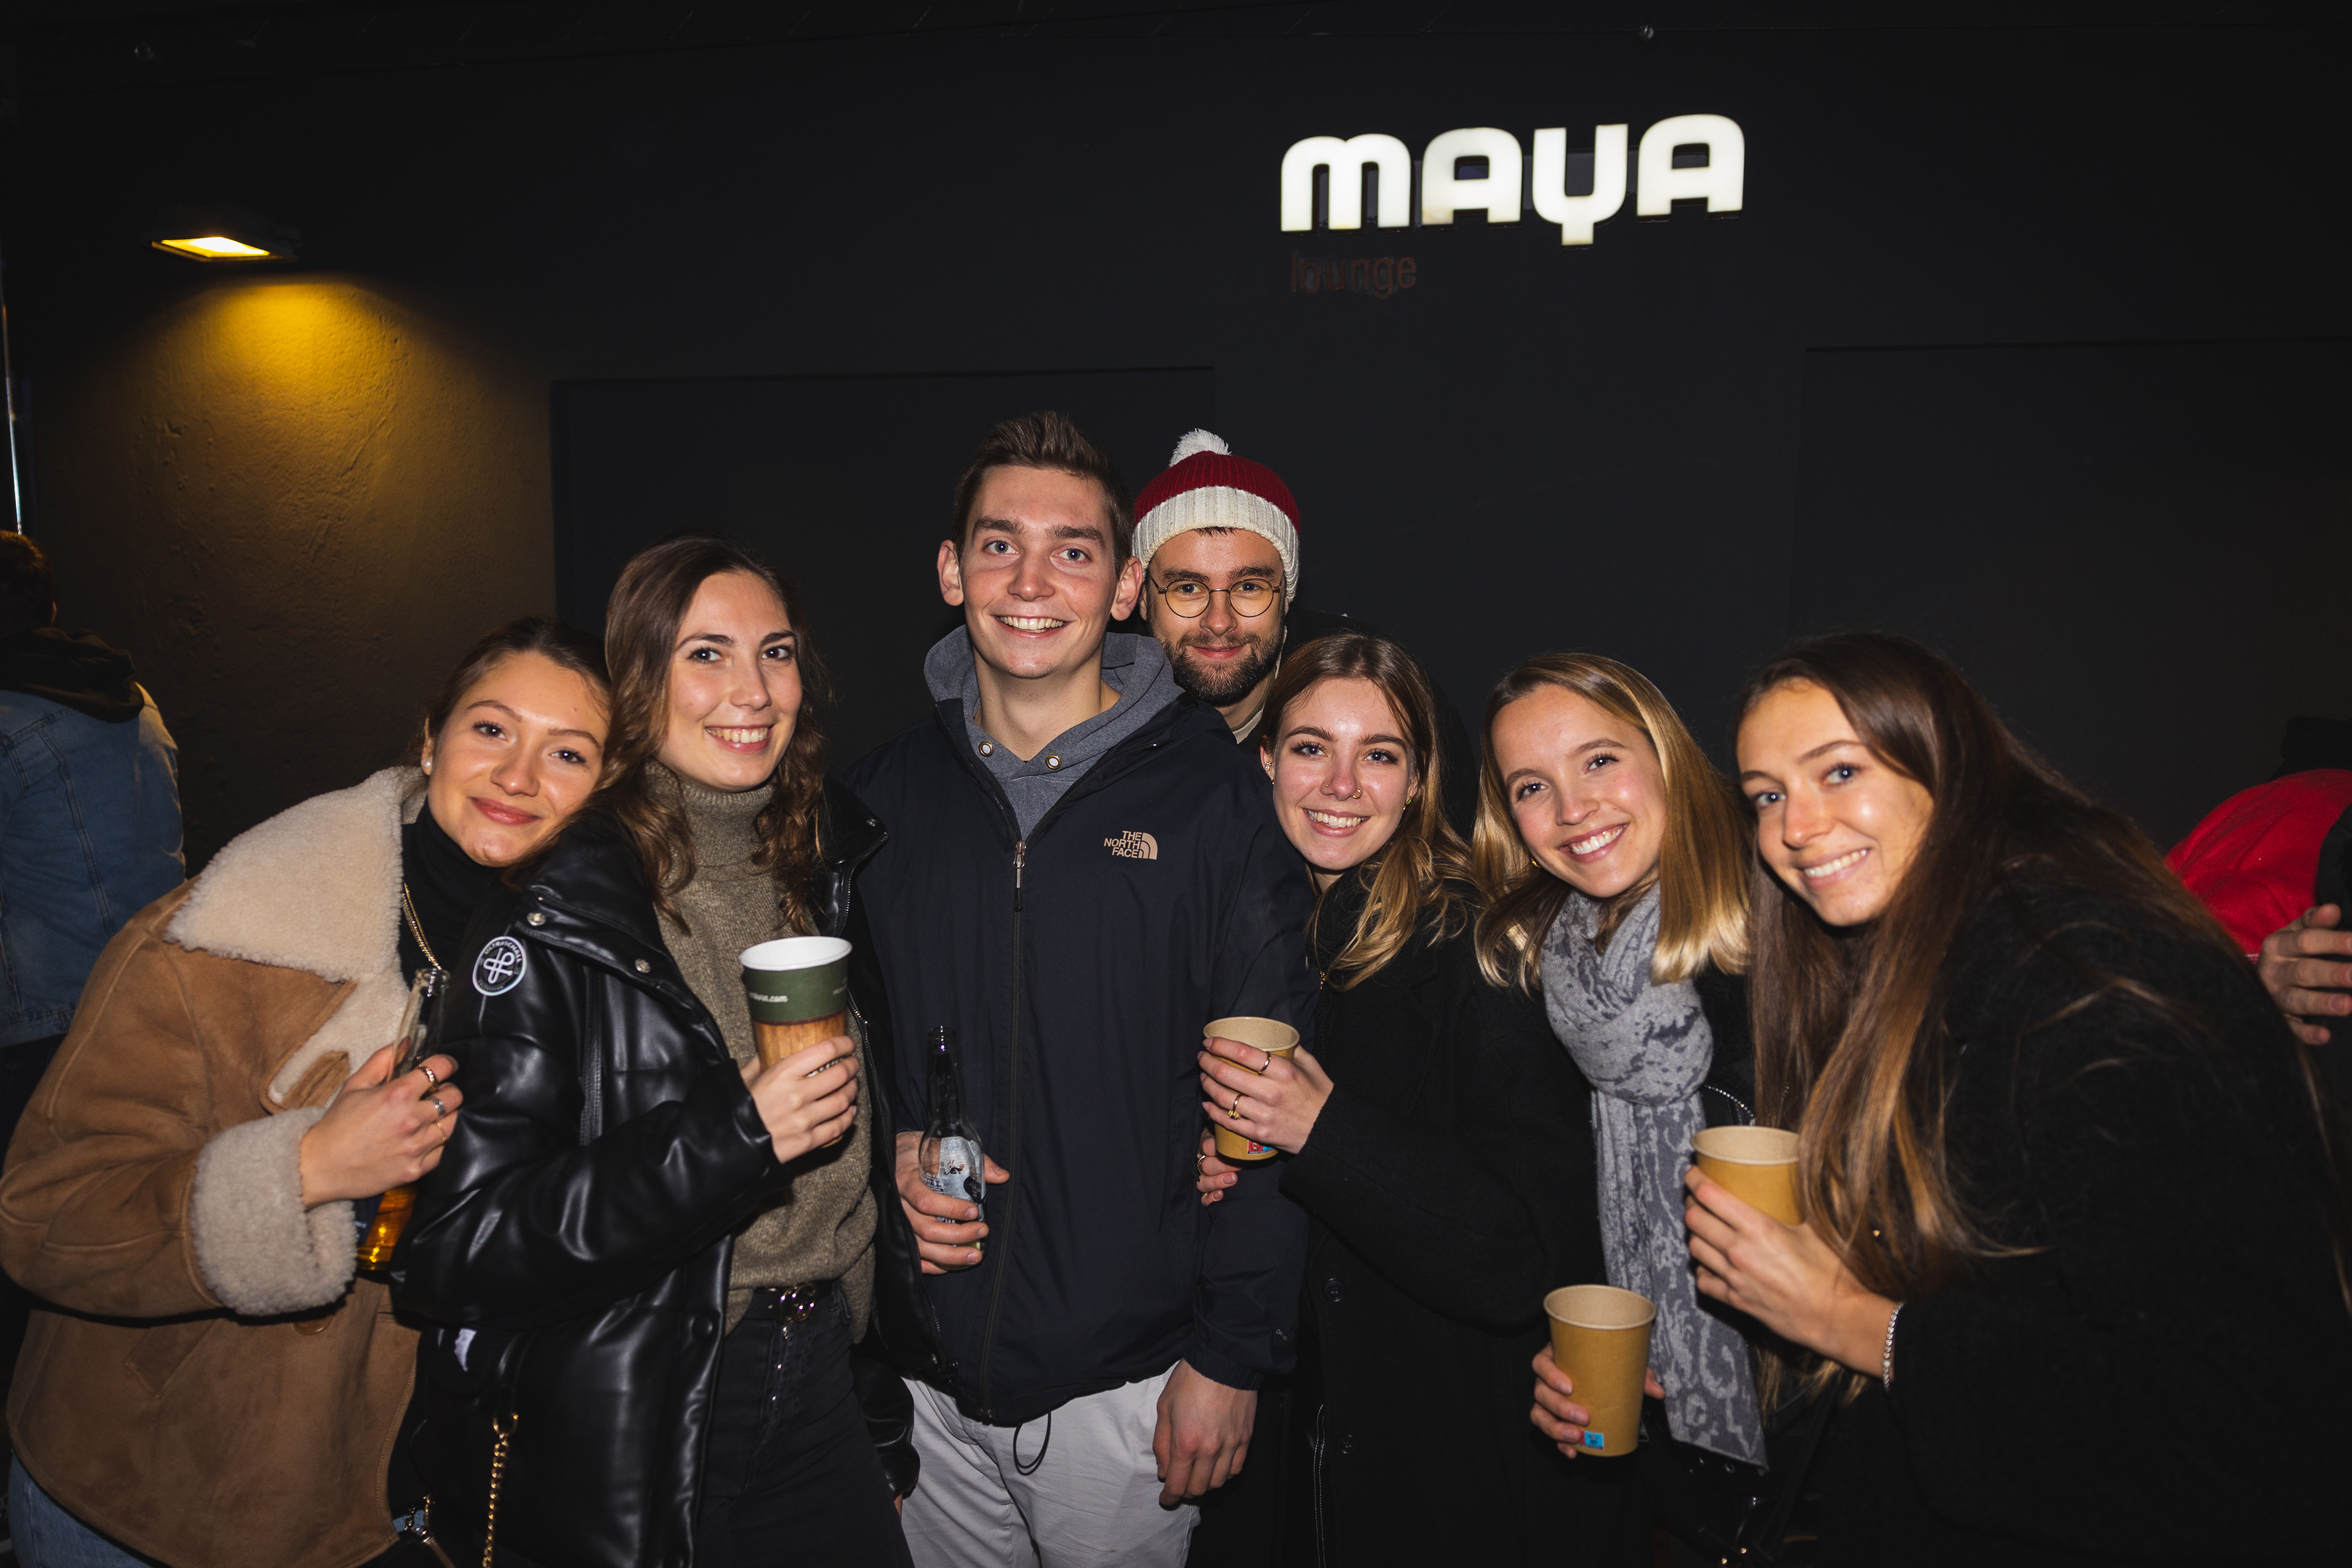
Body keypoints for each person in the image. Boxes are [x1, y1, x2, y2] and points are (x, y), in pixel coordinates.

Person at [1684, 631, 2352, 1562]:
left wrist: (1851, 1320)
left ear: (1947, 767)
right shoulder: (1911, 965)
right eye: (1766, 795)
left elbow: (2234, 1427)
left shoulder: (2087, 985)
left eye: (1838, 771)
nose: (1795, 826)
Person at [0, 616, 609, 1568]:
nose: (518, 775)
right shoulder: (225, 936)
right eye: (491, 729)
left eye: (567, 752)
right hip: (146, 1503)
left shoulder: (588, 972)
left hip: (391, 1513)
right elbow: (40, 1219)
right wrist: (304, 1169)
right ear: (430, 738)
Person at [844, 412, 1316, 1567]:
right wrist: (885, 1151)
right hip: (927, 1384)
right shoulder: (878, 800)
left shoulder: (1218, 804)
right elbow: (843, 1050)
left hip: (1130, 1390)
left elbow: (1270, 1106)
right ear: (951, 571)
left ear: (1123, 588)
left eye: (1073, 551)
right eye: (999, 546)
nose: (1031, 582)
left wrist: (1231, 1355)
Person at [393, 537, 917, 1568]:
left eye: (775, 652)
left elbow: (838, 1170)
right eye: (706, 654)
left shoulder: (820, 860)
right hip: (658, 1397)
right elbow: (460, 1245)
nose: (752, 691)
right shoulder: (562, 913)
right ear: (639, 681)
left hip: (818, 1374)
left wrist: (871, 1413)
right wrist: (734, 1136)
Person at [1189, 631, 1648, 1566]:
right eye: (1312, 747)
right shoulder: (1273, 933)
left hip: (1453, 1469)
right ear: (1267, 759)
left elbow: (1520, 1249)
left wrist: (1320, 1133)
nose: (1341, 785)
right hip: (1315, 1450)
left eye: (1380, 755)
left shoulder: (1479, 949)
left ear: (1419, 781)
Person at [1480, 655, 1773, 1556]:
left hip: (1833, 1452)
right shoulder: (1553, 974)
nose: (1572, 809)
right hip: (1684, 1485)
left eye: (1600, 761)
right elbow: (1570, 1227)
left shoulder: (1787, 937)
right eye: (1533, 786)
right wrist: (1573, 1366)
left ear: (1665, 756)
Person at [1127, 430, 1478, 835]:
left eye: (1249, 587)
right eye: (1187, 588)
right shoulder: (1100, 715)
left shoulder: (1380, 689)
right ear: (1142, 598)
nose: (1219, 621)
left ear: (1286, 597)